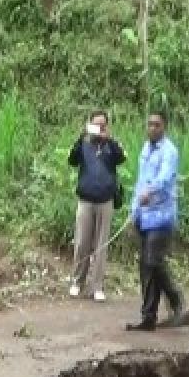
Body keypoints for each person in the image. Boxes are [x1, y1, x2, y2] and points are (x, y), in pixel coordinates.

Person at [125, 110, 185, 331]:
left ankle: (175, 297)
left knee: (153, 261)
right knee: (145, 268)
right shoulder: (145, 149)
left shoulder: (169, 151)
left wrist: (151, 191)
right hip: (145, 215)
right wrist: (134, 212)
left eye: (156, 125)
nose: (152, 128)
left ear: (164, 127)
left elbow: (166, 177)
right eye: (149, 124)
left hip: (161, 216)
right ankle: (148, 317)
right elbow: (140, 182)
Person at [67, 109, 126, 302]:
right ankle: (77, 281)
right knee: (82, 242)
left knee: (102, 245)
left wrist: (110, 139)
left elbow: (121, 158)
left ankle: (97, 286)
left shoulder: (110, 146)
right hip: (85, 200)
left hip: (105, 201)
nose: (100, 128)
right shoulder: (84, 145)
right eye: (96, 124)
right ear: (90, 124)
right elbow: (72, 160)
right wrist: (81, 136)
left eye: (103, 124)